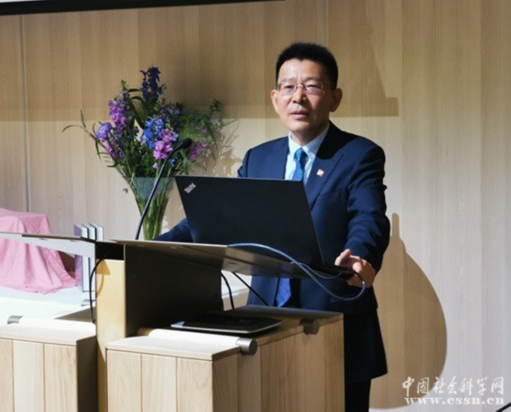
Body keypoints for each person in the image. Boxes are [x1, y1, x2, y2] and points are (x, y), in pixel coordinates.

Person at [158, 42, 390, 412]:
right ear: (275, 98)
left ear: (335, 98)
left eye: (312, 86)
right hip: (264, 322)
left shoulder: (359, 155)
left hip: (333, 321)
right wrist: (159, 247)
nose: (299, 96)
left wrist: (361, 256)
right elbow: (216, 218)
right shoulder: (259, 158)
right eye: (288, 86)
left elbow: (369, 216)